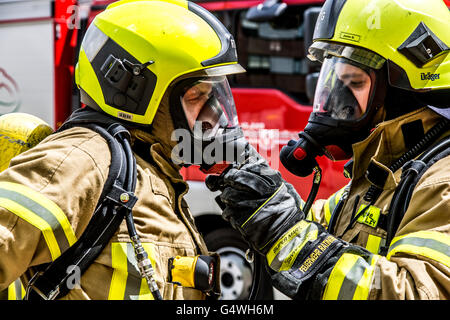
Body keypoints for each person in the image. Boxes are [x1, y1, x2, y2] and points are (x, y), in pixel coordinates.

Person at [0, 0, 245, 300]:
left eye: (213, 95)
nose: (213, 113)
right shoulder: (80, 160)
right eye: (196, 96)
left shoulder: (153, 169)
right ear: (134, 93)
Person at [206, 0, 450, 299]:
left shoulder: (441, 183)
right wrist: (266, 196)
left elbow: (415, 293)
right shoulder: (381, 176)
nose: (338, 101)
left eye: (354, 82)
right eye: (334, 81)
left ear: (405, 90)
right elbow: (313, 229)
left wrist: (281, 230)